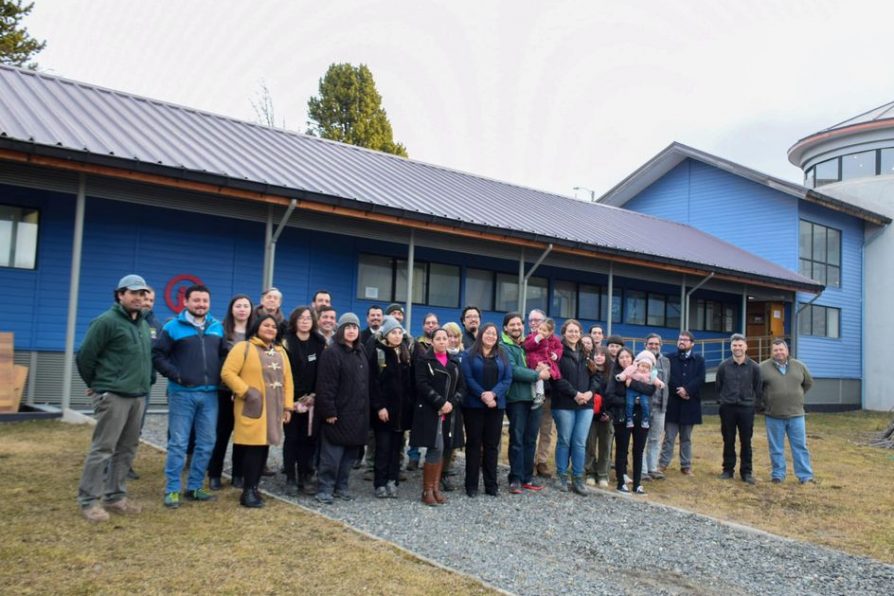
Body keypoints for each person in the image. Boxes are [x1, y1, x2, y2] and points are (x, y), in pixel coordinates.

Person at [75, 274, 153, 522]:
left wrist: (146, 382)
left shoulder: (141, 323)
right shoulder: (106, 321)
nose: (138, 298)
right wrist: (97, 386)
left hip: (137, 395)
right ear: (120, 295)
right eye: (133, 293)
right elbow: (85, 357)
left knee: (127, 448)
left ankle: (115, 497)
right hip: (114, 395)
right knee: (103, 448)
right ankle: (89, 500)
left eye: (142, 294)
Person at [152, 284, 225, 508]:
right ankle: (172, 489)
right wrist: (177, 376)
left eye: (205, 301)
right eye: (196, 300)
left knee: (206, 443)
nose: (201, 304)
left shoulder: (217, 327)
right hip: (182, 393)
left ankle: (194, 487)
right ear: (186, 302)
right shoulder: (173, 327)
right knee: (179, 443)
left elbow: (223, 356)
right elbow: (157, 355)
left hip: (210, 395)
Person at [220, 314, 294, 507]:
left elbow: (288, 381)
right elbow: (227, 373)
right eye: (266, 325)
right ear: (256, 327)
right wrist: (246, 392)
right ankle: (247, 491)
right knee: (252, 448)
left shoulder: (280, 351)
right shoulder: (243, 347)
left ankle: (254, 487)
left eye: (273, 326)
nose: (270, 329)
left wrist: (288, 407)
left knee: (264, 447)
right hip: (253, 406)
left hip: (273, 408)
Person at [313, 313, 370, 504]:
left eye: (354, 327)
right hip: (337, 414)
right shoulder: (332, 353)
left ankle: (341, 486)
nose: (352, 331)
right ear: (340, 330)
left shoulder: (361, 351)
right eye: (348, 327)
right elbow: (325, 386)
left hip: (357, 415)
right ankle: (324, 488)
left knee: (349, 456)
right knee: (331, 455)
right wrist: (329, 411)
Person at [411, 327, 464, 506]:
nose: (442, 341)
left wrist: (451, 404)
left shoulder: (455, 362)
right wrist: (440, 402)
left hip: (449, 412)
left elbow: (462, 388)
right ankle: (427, 490)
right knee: (435, 448)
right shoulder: (424, 361)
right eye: (438, 339)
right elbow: (421, 384)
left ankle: (435, 488)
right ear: (432, 341)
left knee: (443, 449)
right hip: (430, 411)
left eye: (445, 338)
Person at [208, 294, 254, 490]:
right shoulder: (221, 331)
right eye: (238, 306)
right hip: (224, 390)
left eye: (246, 306)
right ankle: (215, 473)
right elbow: (216, 361)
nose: (242, 309)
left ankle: (238, 474)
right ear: (231, 309)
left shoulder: (254, 333)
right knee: (222, 433)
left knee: (242, 434)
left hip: (247, 392)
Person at [460, 322, 512, 497]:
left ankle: (491, 485)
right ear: (481, 334)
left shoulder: (502, 354)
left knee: (491, 446)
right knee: (474, 445)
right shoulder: (468, 355)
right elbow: (467, 378)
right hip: (474, 406)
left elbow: (507, 379)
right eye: (488, 333)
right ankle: (471, 485)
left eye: (494, 334)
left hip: (496, 406)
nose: (491, 336)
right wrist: (483, 394)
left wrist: (493, 395)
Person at [501, 312, 551, 493]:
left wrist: (545, 366)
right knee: (517, 438)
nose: (516, 327)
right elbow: (513, 370)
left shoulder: (528, 342)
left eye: (519, 324)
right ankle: (515, 477)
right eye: (512, 325)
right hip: (517, 397)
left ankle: (527, 477)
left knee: (531, 439)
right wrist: (538, 374)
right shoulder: (504, 346)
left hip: (535, 397)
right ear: (506, 328)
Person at [282, 306, 327, 496]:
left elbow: (323, 370)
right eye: (301, 318)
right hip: (290, 400)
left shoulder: (319, 341)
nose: (305, 321)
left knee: (309, 440)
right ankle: (291, 478)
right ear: (294, 320)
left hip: (312, 400)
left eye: (309, 317)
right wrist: (288, 400)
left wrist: (315, 394)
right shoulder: (286, 341)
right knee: (292, 439)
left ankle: (305, 476)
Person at [369, 316, 414, 498]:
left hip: (401, 414)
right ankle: (379, 482)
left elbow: (409, 384)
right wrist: (379, 407)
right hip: (384, 413)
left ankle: (392, 480)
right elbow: (373, 383)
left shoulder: (405, 353)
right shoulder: (378, 352)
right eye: (393, 333)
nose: (396, 336)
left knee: (397, 449)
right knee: (383, 448)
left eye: (399, 333)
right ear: (386, 335)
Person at [759, 339, 815, 484]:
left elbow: (808, 383)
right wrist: (766, 402)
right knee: (776, 447)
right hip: (773, 415)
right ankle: (778, 474)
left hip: (796, 415)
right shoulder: (763, 368)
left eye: (781, 349)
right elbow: (757, 388)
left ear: (787, 350)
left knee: (800, 447)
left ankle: (805, 476)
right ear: (772, 352)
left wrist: (797, 395)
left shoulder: (799, 366)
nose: (779, 352)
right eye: (776, 350)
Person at [550, 319, 596, 496]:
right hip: (564, 403)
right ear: (564, 333)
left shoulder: (586, 353)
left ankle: (578, 477)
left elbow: (596, 377)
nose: (574, 334)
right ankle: (561, 475)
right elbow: (556, 378)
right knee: (565, 440)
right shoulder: (557, 353)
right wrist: (575, 394)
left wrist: (590, 393)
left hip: (586, 404)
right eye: (570, 331)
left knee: (579, 442)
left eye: (577, 331)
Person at [605, 347, 655, 494]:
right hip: (622, 416)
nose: (625, 360)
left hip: (641, 417)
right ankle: (621, 482)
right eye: (621, 357)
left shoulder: (643, 372)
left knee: (638, 450)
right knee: (622, 449)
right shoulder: (616, 375)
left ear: (633, 359)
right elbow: (609, 396)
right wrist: (630, 401)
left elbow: (650, 390)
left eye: (628, 357)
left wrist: (631, 384)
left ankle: (638, 483)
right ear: (617, 360)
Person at [715, 333, 761, 484]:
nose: (737, 348)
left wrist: (753, 404)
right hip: (727, 408)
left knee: (746, 441)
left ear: (746, 347)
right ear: (731, 347)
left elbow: (758, 388)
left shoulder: (754, 367)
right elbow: (718, 386)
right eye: (734, 345)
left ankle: (746, 472)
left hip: (746, 409)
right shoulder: (723, 366)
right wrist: (723, 401)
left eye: (740, 345)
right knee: (728, 440)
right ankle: (728, 470)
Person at [659, 331, 706, 476]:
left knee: (686, 438)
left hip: (690, 403)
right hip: (673, 403)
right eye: (680, 339)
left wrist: (687, 390)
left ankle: (686, 465)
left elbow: (700, 378)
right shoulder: (669, 358)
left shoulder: (699, 360)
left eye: (685, 340)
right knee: (669, 437)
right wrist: (678, 390)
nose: (682, 342)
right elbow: (667, 377)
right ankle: (662, 463)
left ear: (692, 343)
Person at [641, 334, 670, 481]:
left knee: (655, 438)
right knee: (642, 438)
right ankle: (643, 470)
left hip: (660, 406)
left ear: (661, 345)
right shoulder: (639, 359)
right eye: (650, 343)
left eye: (656, 344)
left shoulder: (665, 361)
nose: (653, 346)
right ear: (645, 344)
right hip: (644, 405)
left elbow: (666, 383)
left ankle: (653, 468)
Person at [585, 345, 613, 487]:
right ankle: (590, 472)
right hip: (590, 414)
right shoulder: (588, 371)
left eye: (602, 354)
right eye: (596, 354)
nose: (599, 357)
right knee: (589, 444)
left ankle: (603, 474)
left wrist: (609, 413)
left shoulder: (612, 373)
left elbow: (615, 395)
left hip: (606, 416)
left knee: (605, 445)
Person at [615, 351, 665, 429]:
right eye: (642, 366)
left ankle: (645, 419)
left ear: (650, 368)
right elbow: (625, 374)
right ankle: (629, 419)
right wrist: (620, 377)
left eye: (647, 367)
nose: (644, 368)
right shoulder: (633, 369)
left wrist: (660, 384)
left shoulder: (650, 374)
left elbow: (655, 380)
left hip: (643, 393)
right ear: (638, 365)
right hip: (631, 391)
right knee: (629, 404)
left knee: (645, 404)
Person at [523, 317, 563, 409]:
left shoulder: (555, 340)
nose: (540, 331)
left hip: (546, 363)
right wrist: (536, 340)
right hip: (534, 361)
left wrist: (556, 355)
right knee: (535, 377)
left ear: (550, 332)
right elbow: (527, 346)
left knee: (540, 376)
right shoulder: (533, 336)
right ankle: (534, 395)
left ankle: (539, 395)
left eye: (544, 330)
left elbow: (559, 348)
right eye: (540, 329)